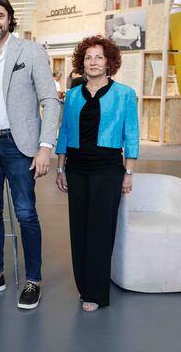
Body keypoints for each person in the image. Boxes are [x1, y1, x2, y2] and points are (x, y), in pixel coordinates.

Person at [0, 0, 60, 310]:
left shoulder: (30, 52)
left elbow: (50, 101)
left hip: (19, 146)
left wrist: (45, 147)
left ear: (9, 18)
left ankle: (33, 280)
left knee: (25, 212)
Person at [55, 35, 139, 312]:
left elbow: (131, 134)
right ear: (82, 62)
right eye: (88, 57)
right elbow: (65, 132)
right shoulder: (73, 95)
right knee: (79, 228)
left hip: (107, 169)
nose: (93, 62)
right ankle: (84, 286)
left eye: (99, 57)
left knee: (101, 230)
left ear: (109, 62)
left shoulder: (124, 94)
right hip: (76, 168)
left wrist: (128, 172)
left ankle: (97, 292)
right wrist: (60, 167)